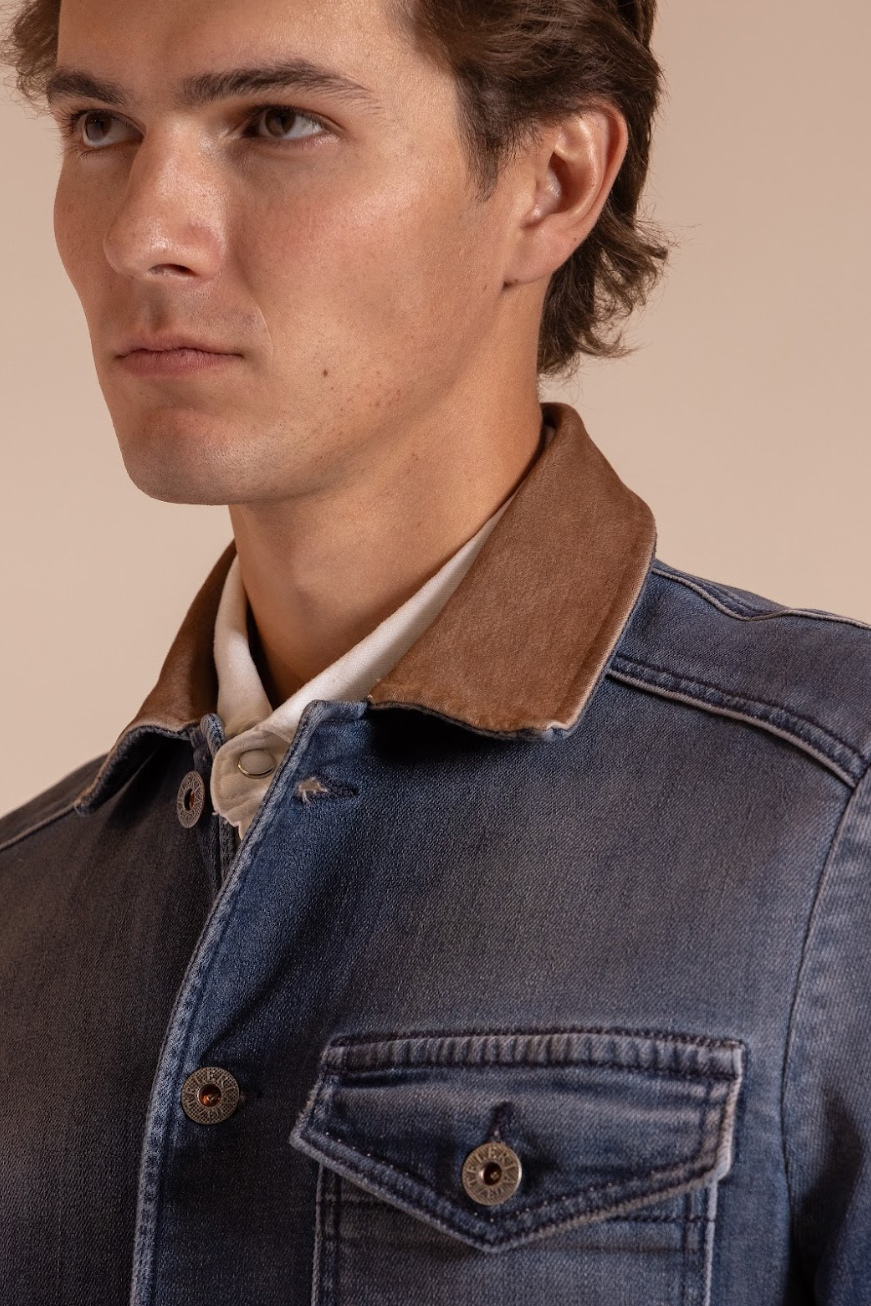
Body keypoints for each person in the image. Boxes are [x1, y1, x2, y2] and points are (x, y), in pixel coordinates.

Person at [1, 0, 869, 1301]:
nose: (142, 234)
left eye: (275, 122)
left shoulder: (832, 818)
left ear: (550, 178)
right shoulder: (25, 906)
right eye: (100, 125)